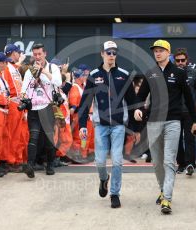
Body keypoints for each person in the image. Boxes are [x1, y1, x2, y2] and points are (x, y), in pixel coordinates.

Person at [134, 40, 196, 214]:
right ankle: (163, 190)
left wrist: (194, 120)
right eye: (155, 51)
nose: (157, 53)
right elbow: (140, 97)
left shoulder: (179, 72)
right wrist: (138, 110)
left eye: (161, 50)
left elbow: (189, 98)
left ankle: (167, 199)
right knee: (157, 163)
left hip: (173, 122)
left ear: (168, 52)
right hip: (153, 122)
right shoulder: (150, 73)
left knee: (169, 161)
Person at [78, 41, 137, 208]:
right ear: (102, 54)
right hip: (101, 125)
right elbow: (84, 103)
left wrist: (135, 127)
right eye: (108, 52)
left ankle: (115, 194)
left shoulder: (124, 75)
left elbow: (133, 101)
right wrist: (82, 125)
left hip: (118, 125)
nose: (111, 55)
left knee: (117, 162)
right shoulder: (93, 75)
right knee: (100, 162)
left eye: (114, 52)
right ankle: (104, 179)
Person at [20, 43, 62, 178]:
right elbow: (24, 89)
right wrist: (23, 98)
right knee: (34, 137)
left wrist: (43, 71)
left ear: (45, 54)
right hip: (34, 108)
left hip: (48, 108)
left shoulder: (52, 67)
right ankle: (30, 165)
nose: (37, 57)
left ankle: (50, 164)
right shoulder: (29, 71)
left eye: (40, 54)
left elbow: (58, 82)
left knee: (49, 138)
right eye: (35, 54)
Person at [173, 48, 196, 175]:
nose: (180, 62)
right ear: (174, 61)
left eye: (183, 60)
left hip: (189, 111)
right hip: (175, 110)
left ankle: (190, 164)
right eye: (178, 60)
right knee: (177, 139)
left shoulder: (194, 73)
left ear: (187, 60)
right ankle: (181, 164)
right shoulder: (172, 73)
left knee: (190, 138)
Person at [0, 44, 26, 172]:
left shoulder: (14, 68)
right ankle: (10, 161)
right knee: (10, 134)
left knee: (17, 134)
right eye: (18, 52)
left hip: (18, 104)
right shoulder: (6, 67)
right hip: (11, 103)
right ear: (12, 53)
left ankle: (16, 159)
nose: (19, 55)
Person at [69, 68, 94, 163]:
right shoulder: (75, 88)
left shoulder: (82, 87)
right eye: (83, 76)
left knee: (85, 138)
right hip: (79, 116)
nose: (84, 77)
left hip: (87, 115)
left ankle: (84, 154)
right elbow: (74, 104)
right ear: (78, 77)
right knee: (79, 137)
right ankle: (78, 155)